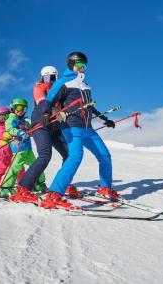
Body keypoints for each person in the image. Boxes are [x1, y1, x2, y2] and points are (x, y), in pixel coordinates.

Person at [39, 51, 117, 210]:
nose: (83, 68)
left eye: (84, 66)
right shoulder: (63, 82)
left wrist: (104, 119)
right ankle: (54, 194)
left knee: (104, 155)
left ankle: (105, 187)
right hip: (71, 125)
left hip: (88, 128)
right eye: (79, 65)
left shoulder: (85, 85)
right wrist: (46, 113)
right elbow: (49, 100)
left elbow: (90, 106)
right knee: (75, 156)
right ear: (71, 65)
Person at [10, 66, 70, 204]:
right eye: (47, 78)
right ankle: (23, 189)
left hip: (55, 125)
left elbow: (64, 105)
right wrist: (46, 113)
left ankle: (61, 185)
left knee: (69, 155)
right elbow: (42, 102)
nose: (50, 81)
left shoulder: (59, 89)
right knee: (45, 156)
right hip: (41, 122)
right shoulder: (39, 87)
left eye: (53, 78)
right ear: (43, 78)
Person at [0, 98, 47, 199]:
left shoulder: (23, 121)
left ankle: (39, 184)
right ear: (13, 108)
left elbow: (31, 130)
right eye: (19, 107)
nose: (21, 110)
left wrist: (38, 128)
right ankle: (5, 188)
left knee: (37, 166)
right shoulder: (11, 119)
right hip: (18, 149)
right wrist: (19, 132)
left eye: (24, 109)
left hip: (28, 149)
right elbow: (10, 129)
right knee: (15, 168)